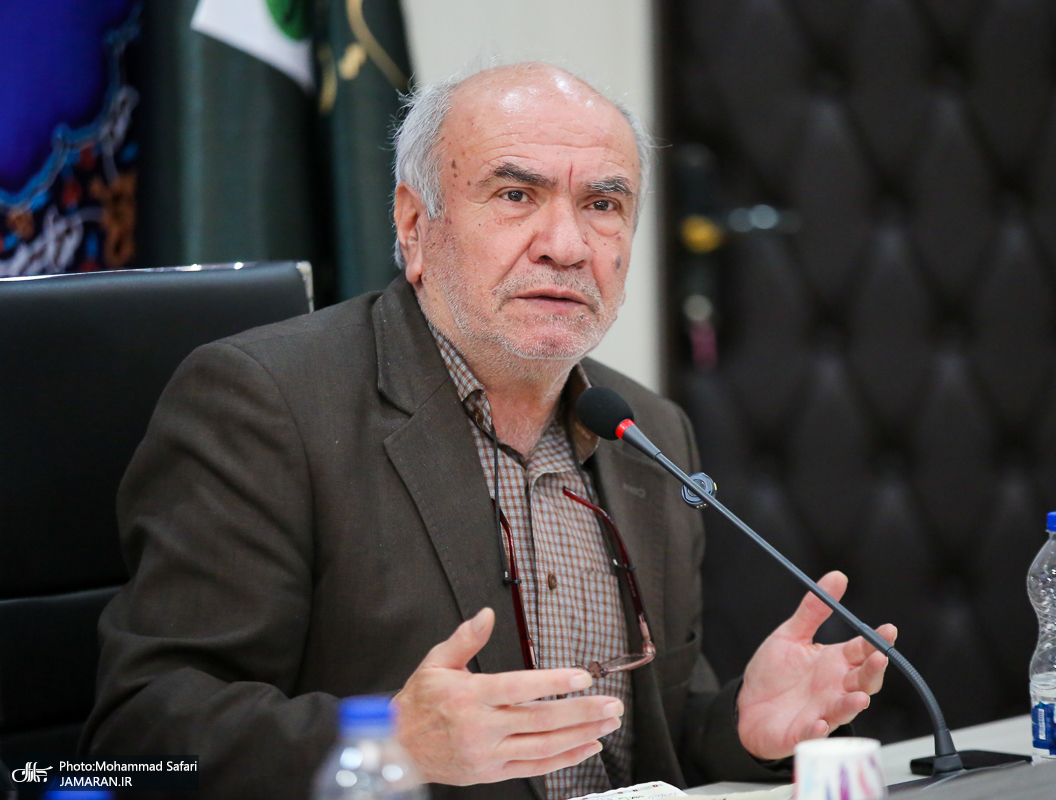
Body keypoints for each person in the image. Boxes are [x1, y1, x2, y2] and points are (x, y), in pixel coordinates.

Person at [83, 63, 896, 800]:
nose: (566, 246)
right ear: (413, 225)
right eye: (515, 195)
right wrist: (393, 742)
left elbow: (645, 741)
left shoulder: (647, 431)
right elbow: (137, 739)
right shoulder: (266, 404)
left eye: (603, 205)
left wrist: (739, 730)